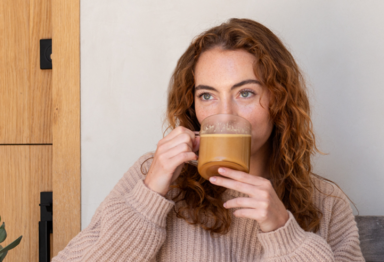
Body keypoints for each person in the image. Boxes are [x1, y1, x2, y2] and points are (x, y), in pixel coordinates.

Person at [52, 18, 365, 261]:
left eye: (246, 93)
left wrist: (284, 231)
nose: (226, 115)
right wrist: (150, 193)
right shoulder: (154, 176)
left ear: (279, 101)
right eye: (207, 95)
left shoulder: (325, 201)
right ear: (193, 105)